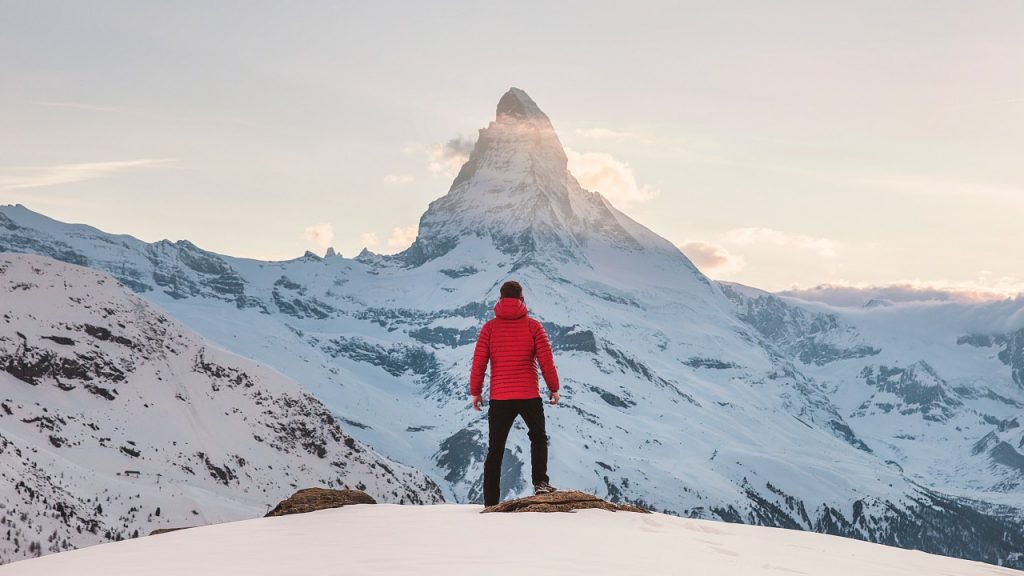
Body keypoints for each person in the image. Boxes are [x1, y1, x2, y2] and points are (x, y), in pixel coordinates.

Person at [470, 280, 561, 507]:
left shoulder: (489, 328)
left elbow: (479, 363)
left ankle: (491, 501)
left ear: (500, 299)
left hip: (500, 397)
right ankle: (540, 482)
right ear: (521, 299)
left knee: (495, 448)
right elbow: (546, 361)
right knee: (538, 436)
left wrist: (476, 392)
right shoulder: (533, 326)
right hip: (528, 394)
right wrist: (554, 388)